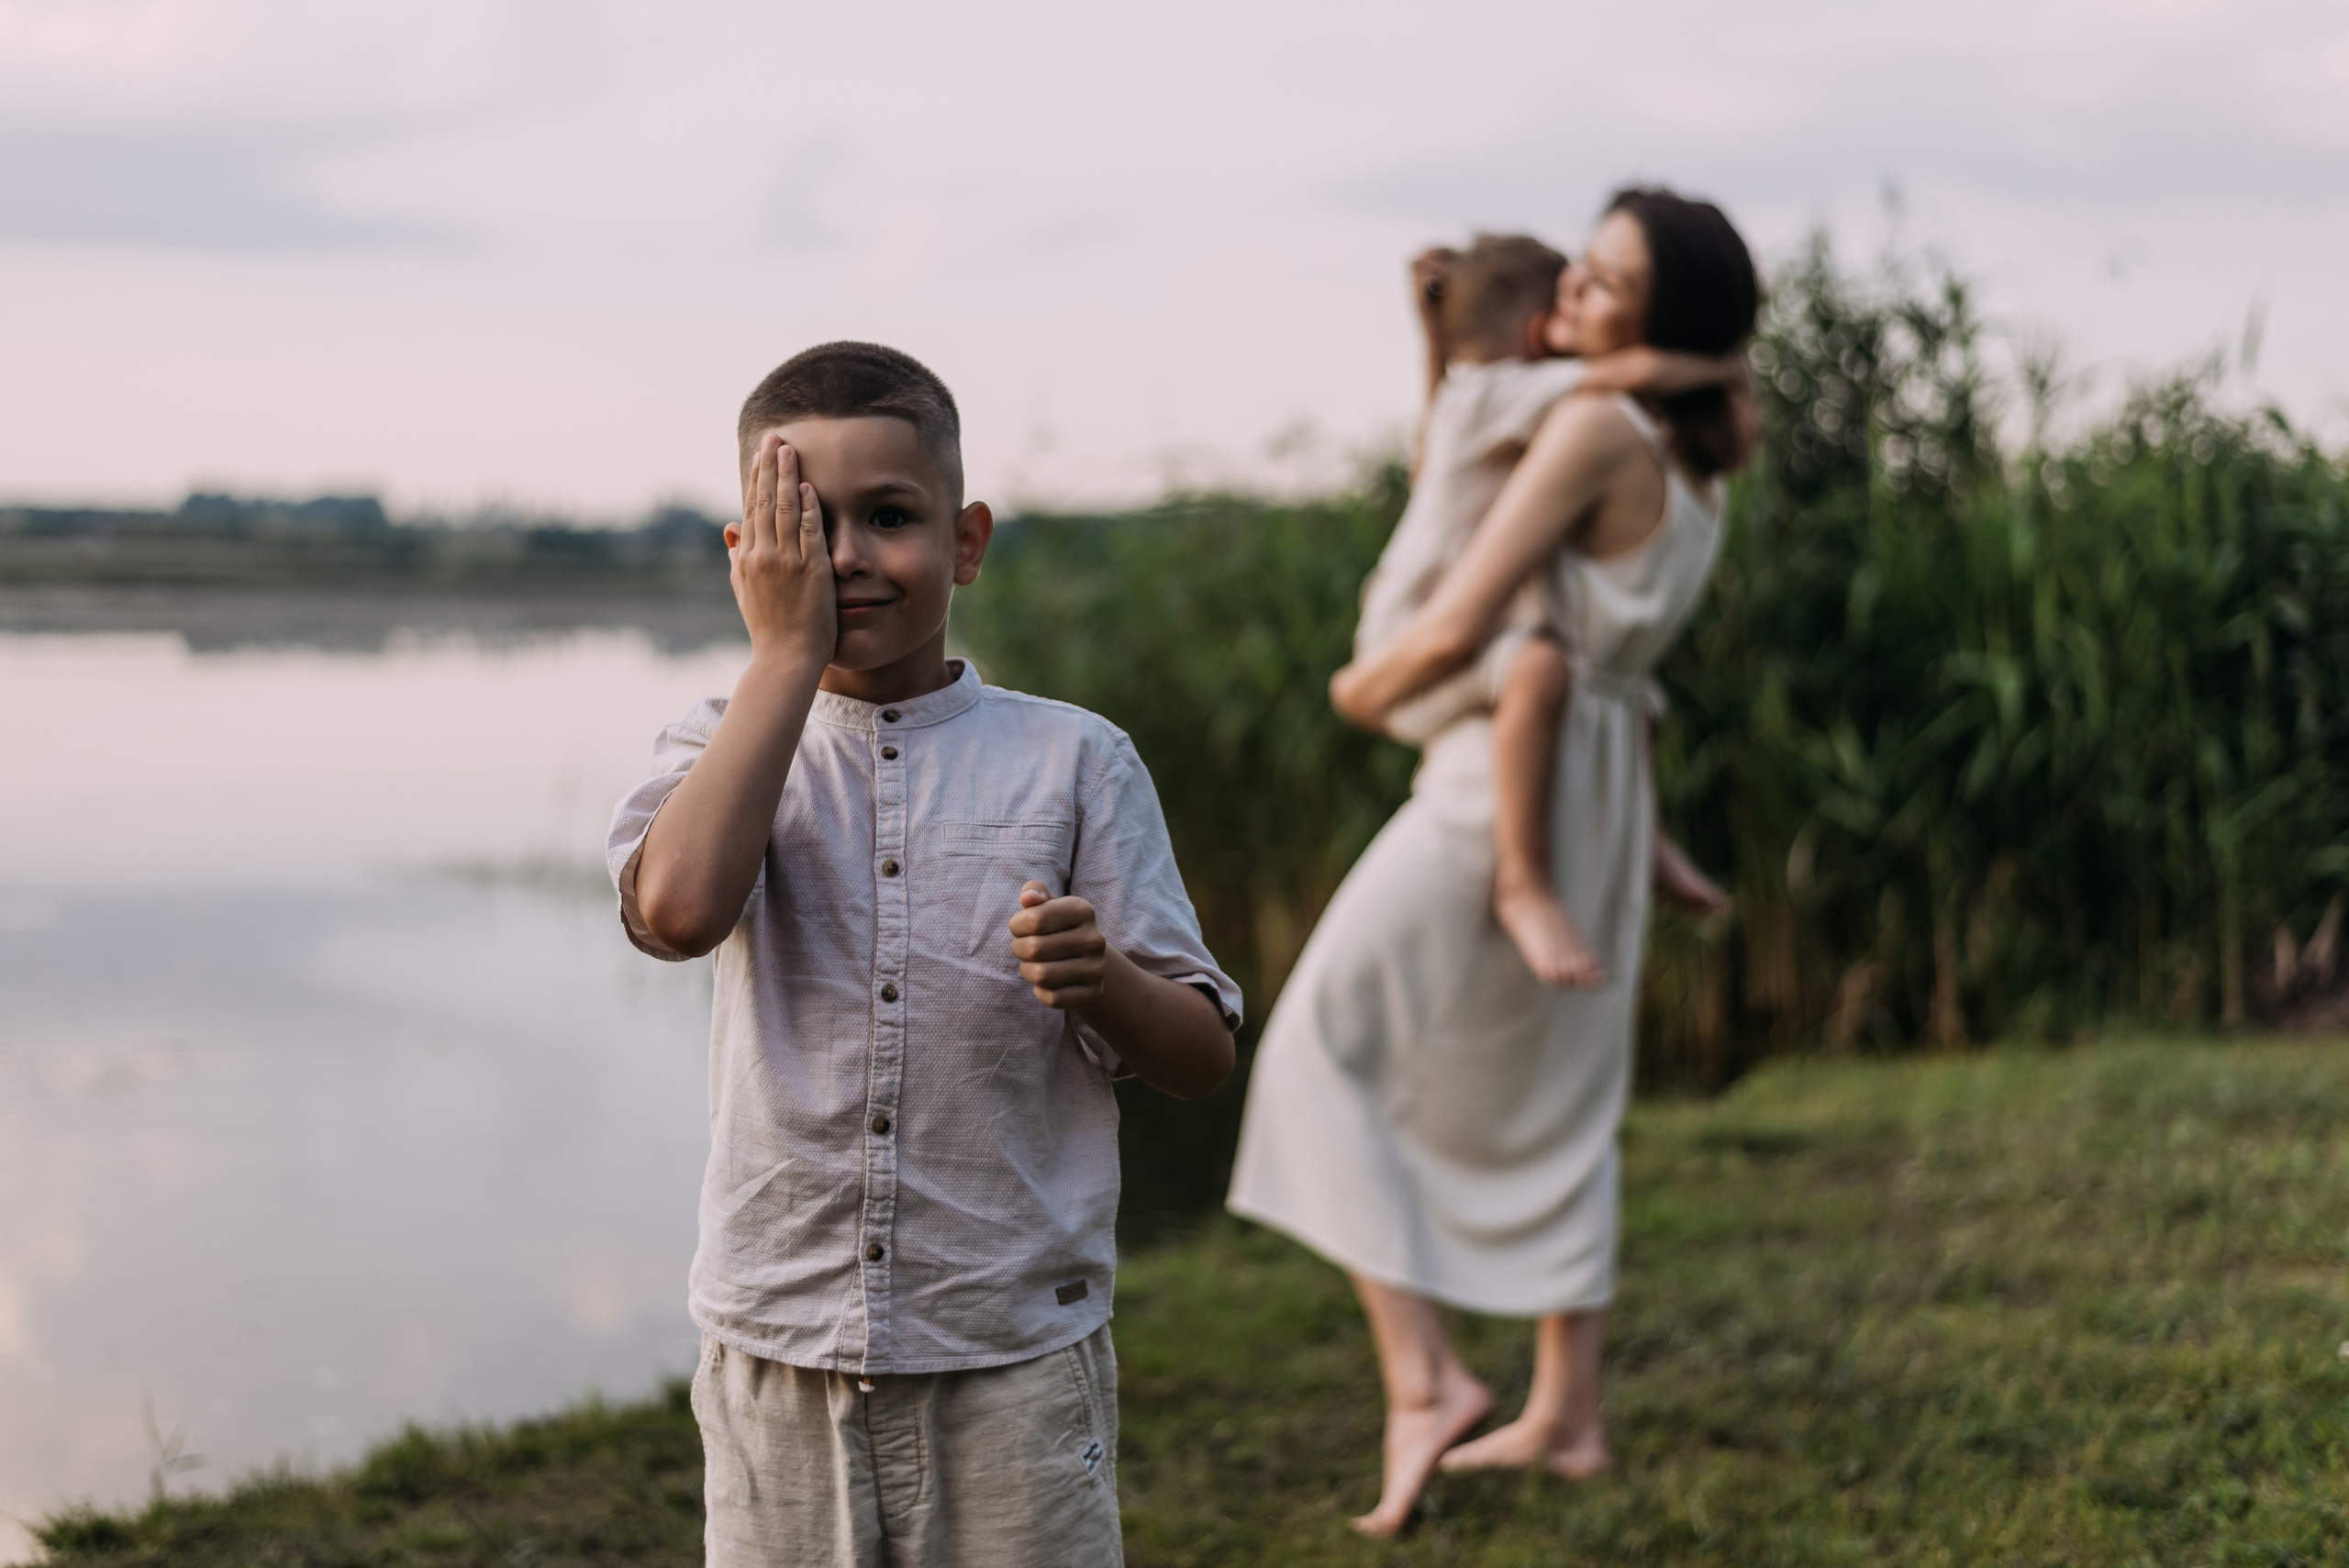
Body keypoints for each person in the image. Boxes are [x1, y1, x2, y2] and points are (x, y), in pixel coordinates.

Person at [608, 341, 1241, 1568]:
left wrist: (1104, 981)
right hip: (780, 1339)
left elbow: (1202, 1054)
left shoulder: (1075, 759)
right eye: (806, 526)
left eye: (889, 517)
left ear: (966, 541)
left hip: (1010, 1349)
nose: (845, 556)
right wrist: (784, 658)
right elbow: (677, 913)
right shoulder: (715, 743)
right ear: (748, 556)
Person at [1226, 187, 1759, 1538]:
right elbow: (1477, 486)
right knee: (1573, 1093)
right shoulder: (1696, 459)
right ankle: (1567, 1413)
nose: (1573, 286)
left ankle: (1426, 1379)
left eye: (1607, 279)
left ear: (1660, 317)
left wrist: (1358, 688)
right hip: (1603, 778)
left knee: (1315, 1041)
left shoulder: (1593, 427)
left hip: (1501, 778)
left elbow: (1461, 618)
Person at [1364, 231, 1742, 988]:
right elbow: (1629, 373)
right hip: (1407, 640)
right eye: (1570, 289)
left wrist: (1434, 337)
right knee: (1540, 666)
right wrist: (1721, 363)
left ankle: (1648, 840)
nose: (1578, 301)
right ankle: (1524, 881)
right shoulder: (1507, 391)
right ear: (1540, 333)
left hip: (1429, 627)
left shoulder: (1472, 398)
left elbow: (1434, 448)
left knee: (1627, 687)